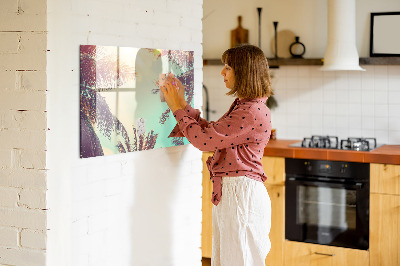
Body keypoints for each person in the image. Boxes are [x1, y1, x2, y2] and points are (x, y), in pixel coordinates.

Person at [161, 44, 273, 266]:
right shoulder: (246, 106)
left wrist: (176, 107)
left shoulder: (250, 111)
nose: (222, 72)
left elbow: (204, 141)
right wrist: (182, 104)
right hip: (236, 193)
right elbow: (212, 133)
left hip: (241, 195)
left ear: (244, 72)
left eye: (228, 67)